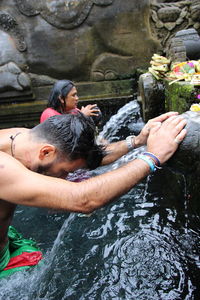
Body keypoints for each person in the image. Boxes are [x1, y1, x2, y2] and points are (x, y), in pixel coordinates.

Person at [0, 111, 187, 278]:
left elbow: (91, 159)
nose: (65, 177)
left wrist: (137, 141)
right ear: (46, 152)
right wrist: (153, 156)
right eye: (65, 171)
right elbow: (82, 199)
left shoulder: (26, 139)